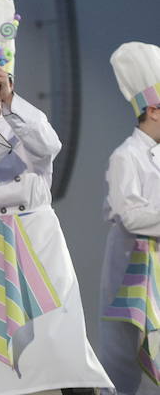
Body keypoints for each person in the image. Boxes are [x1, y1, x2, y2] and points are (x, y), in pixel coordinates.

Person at [0, 0, 112, 395]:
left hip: (39, 238)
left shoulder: (29, 120)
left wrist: (10, 104)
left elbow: (48, 146)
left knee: (58, 339)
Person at [99, 41, 160, 395]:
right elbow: (132, 216)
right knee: (121, 353)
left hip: (156, 261)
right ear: (153, 110)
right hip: (131, 263)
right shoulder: (125, 156)